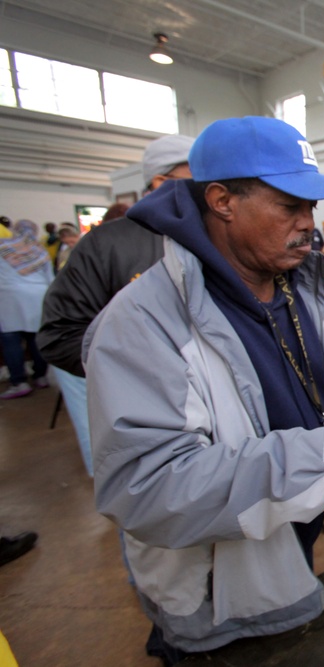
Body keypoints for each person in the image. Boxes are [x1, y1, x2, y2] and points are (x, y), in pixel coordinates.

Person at [83, 116, 324, 662]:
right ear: (222, 201)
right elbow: (146, 487)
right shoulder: (144, 325)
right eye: (291, 206)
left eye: (313, 208)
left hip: (290, 521)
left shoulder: (293, 282)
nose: (310, 227)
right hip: (217, 588)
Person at [38, 134, 197, 477]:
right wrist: (140, 371)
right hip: (146, 415)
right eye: (200, 177)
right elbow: (59, 333)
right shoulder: (107, 244)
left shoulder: (210, 239)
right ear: (162, 182)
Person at [0, 220, 53, 399]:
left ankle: (19, 381)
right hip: (38, 295)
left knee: (10, 341)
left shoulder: (3, 247)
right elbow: (50, 278)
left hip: (9, 297)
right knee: (37, 338)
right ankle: (41, 376)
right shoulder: (39, 250)